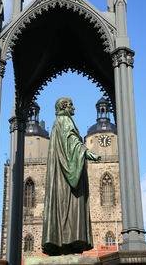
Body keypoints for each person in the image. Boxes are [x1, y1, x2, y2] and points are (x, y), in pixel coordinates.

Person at [42, 97, 101, 255]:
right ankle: (70, 240)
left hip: (59, 175)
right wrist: (87, 152)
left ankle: (60, 242)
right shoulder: (65, 121)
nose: (74, 108)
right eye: (71, 105)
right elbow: (73, 143)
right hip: (66, 179)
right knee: (70, 206)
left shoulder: (56, 123)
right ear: (64, 107)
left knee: (60, 207)